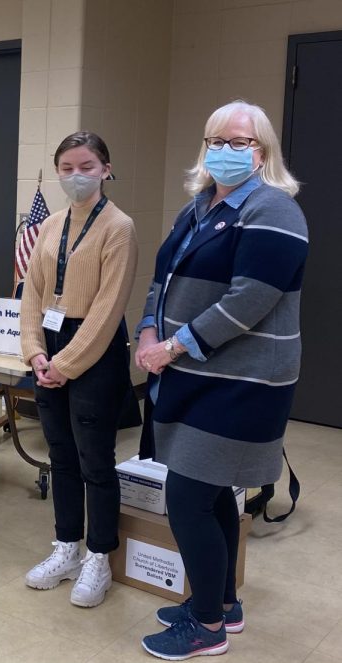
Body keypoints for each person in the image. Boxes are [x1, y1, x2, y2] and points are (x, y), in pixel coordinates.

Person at [135, 101, 307, 660]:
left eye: (240, 141)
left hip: (242, 380)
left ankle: (205, 625)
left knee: (187, 496)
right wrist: (145, 332)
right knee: (211, 497)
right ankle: (224, 603)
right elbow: (163, 280)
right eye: (217, 139)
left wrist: (174, 345)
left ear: (263, 152)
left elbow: (251, 299)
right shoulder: (198, 208)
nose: (226, 150)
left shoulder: (274, 209)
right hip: (192, 370)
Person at [20, 131, 138, 607]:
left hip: (95, 350)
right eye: (66, 168)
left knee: (95, 461)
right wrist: (35, 353)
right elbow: (31, 294)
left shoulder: (119, 227)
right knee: (61, 455)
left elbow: (108, 308)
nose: (76, 176)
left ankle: (98, 556)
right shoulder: (49, 226)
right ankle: (66, 547)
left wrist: (65, 364)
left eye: (86, 166)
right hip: (49, 347)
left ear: (105, 168)